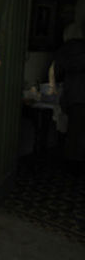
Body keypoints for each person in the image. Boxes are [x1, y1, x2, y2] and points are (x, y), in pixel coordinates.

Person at [54, 23, 85, 171]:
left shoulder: (64, 50)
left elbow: (57, 72)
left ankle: (72, 163)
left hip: (72, 93)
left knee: (73, 130)